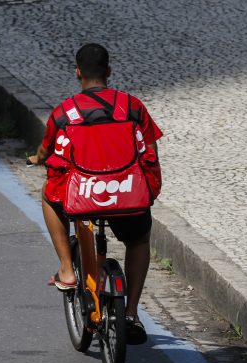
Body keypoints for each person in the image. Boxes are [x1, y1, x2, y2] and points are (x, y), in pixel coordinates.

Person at [28, 43, 162, 345]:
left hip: (84, 197)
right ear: (109, 72)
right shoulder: (132, 106)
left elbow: (47, 150)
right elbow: (151, 149)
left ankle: (66, 270)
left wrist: (37, 158)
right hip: (128, 196)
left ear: (78, 73)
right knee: (138, 240)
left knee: (49, 196)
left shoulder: (65, 112)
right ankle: (130, 314)